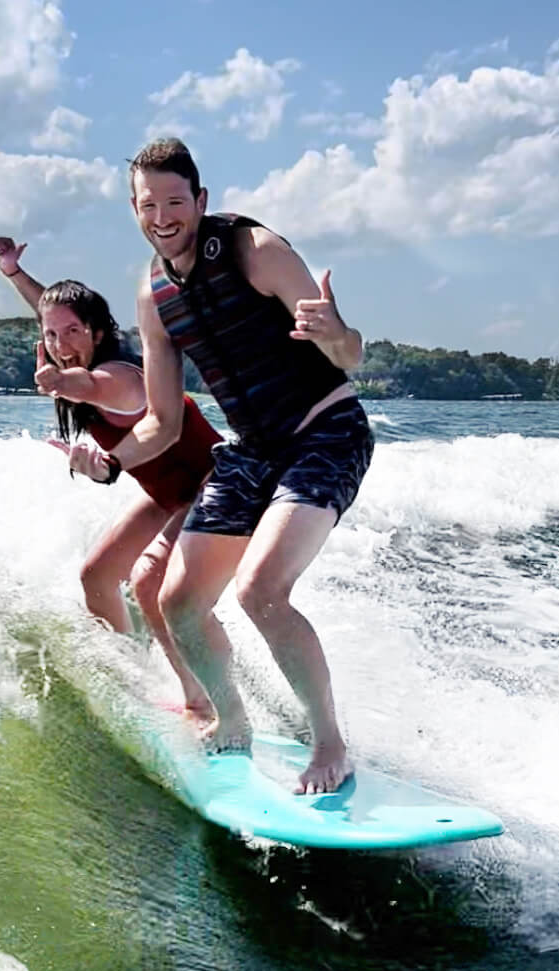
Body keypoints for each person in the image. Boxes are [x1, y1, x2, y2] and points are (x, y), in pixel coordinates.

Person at [95, 138, 373, 794]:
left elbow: (350, 355)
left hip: (324, 434)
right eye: (147, 205)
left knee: (259, 590)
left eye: (174, 201)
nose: (162, 216)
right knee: (176, 601)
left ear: (201, 201)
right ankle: (233, 721)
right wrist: (109, 461)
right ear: (133, 210)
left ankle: (330, 742)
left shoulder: (256, 250)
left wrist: (334, 331)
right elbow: (161, 423)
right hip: (251, 451)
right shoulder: (154, 294)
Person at [0, 232, 222, 726]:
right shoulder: (70, 343)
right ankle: (135, 680)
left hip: (215, 482)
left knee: (150, 581)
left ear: (96, 332)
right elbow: (52, 312)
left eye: (72, 333)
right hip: (168, 492)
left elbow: (88, 385)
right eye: (50, 336)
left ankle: (202, 699)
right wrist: (12, 272)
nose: (60, 345)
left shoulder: (122, 377)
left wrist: (59, 382)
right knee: (97, 576)